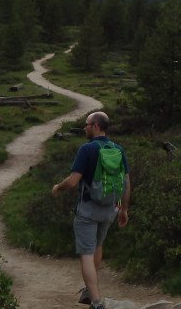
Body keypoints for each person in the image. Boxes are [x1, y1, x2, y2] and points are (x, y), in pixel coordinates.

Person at [52, 111, 131, 309]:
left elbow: (72, 181)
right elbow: (126, 183)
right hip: (110, 209)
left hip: (88, 209)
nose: (84, 128)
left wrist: (57, 187)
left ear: (96, 126)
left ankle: (96, 302)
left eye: (87, 124)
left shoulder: (86, 149)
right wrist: (123, 209)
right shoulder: (118, 149)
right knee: (97, 246)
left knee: (86, 254)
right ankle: (89, 291)